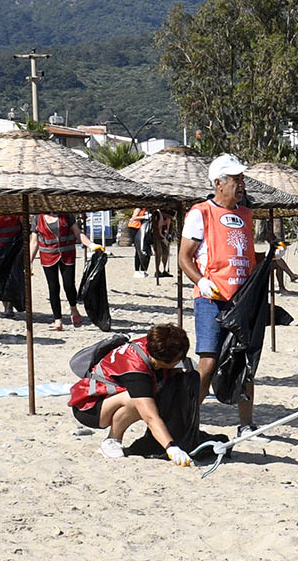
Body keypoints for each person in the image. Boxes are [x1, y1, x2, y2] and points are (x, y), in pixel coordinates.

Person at [179, 154, 260, 434]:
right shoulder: (200, 213)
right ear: (218, 183)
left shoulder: (246, 215)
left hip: (242, 300)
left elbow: (245, 255)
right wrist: (201, 281)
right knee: (209, 361)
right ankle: (191, 418)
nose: (241, 184)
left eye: (241, 178)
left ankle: (246, 424)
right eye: (235, 179)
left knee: (244, 360)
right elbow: (184, 257)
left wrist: (268, 259)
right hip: (211, 299)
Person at [70, 323, 194, 464]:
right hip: (90, 408)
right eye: (179, 358)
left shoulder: (152, 343)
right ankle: (112, 440)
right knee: (135, 400)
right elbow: (150, 417)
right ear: (162, 361)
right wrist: (171, 447)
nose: (181, 361)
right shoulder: (135, 371)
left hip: (109, 398)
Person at [35, 212, 86, 331]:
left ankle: (73, 309)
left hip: (67, 254)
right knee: (53, 287)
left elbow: (78, 233)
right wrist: (29, 261)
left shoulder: (67, 215)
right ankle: (57, 320)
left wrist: (91, 244)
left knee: (69, 285)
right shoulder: (38, 218)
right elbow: (34, 241)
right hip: (47, 256)